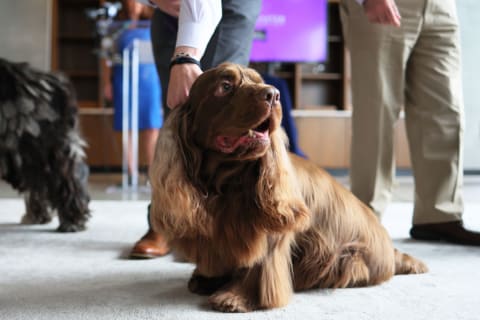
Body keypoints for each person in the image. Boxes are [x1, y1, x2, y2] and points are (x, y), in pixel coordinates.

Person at [129, 0, 262, 258]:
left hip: (230, 5)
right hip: (168, 13)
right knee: (176, 113)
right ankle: (165, 221)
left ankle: (225, 229)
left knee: (225, 112)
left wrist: (186, 57)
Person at [340, 0, 480, 245]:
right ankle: (365, 219)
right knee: (376, 113)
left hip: (441, 7)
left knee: (445, 111)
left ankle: (438, 214)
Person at [103, 0, 162, 176]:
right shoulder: (117, 28)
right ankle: (131, 173)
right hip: (125, 79)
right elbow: (108, 58)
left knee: (151, 126)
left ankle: (152, 173)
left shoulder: (154, 25)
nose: (134, 5)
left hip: (149, 80)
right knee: (127, 126)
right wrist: (108, 83)